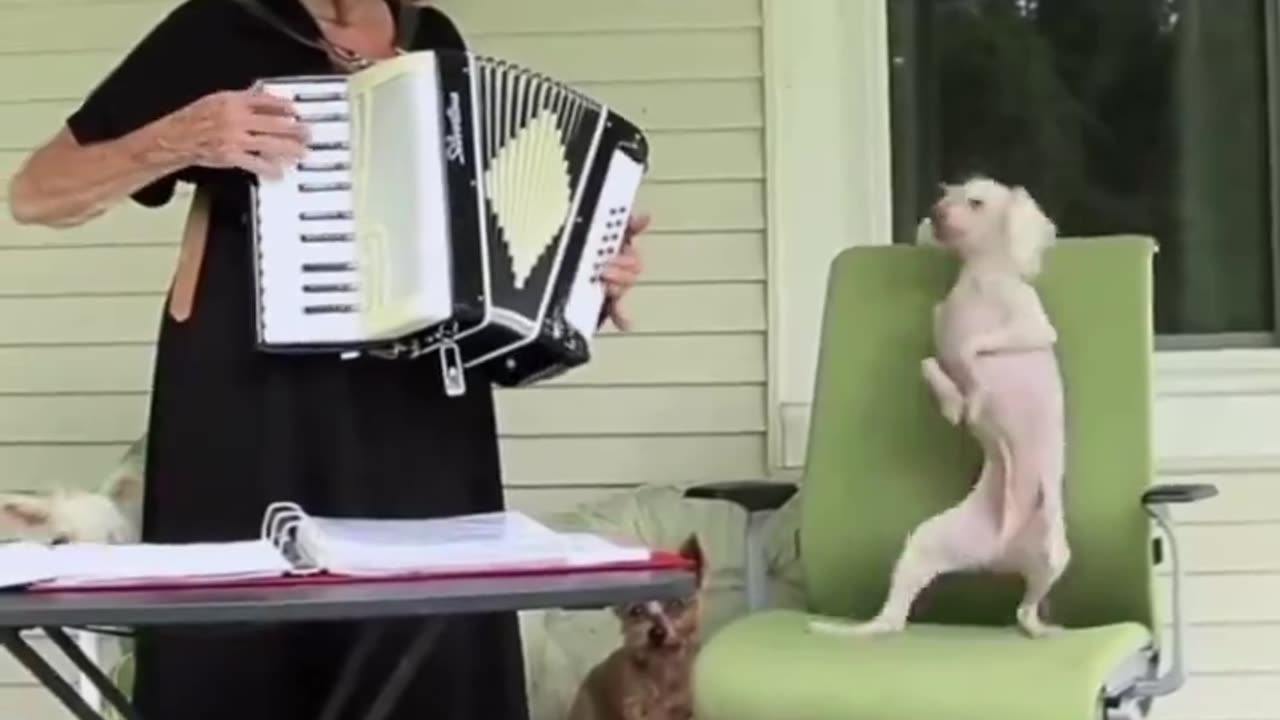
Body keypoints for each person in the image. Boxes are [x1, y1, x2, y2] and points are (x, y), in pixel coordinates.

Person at [5, 0, 649, 718]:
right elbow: (38, 193)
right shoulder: (219, 28)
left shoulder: (431, 40)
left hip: (421, 417)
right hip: (254, 406)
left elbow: (479, 264)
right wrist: (180, 139)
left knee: (431, 663)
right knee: (244, 661)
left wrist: (582, 277)